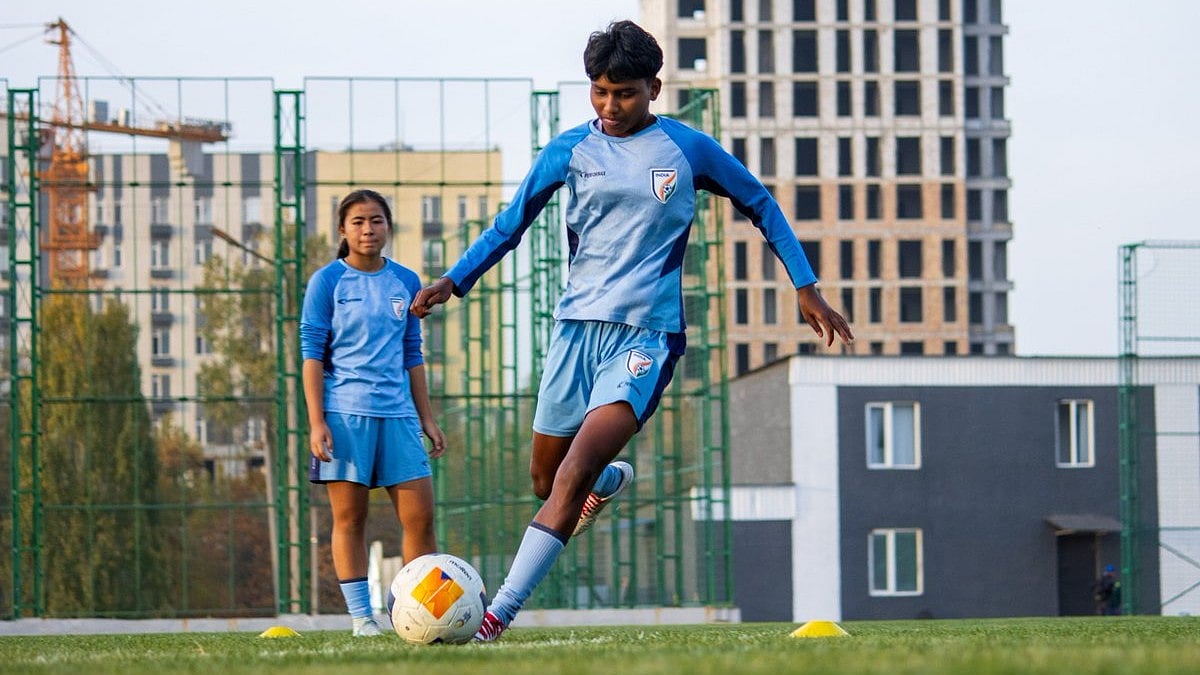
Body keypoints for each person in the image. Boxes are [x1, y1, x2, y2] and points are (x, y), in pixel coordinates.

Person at [411, 20, 853, 642]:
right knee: (546, 479)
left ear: (655, 88)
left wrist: (804, 284)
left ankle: (494, 616)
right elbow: (508, 225)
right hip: (574, 334)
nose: (610, 106)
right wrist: (453, 281)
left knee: (568, 479)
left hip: (647, 337)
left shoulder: (687, 150)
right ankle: (611, 481)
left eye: (624, 93)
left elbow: (761, 203)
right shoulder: (568, 151)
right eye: (599, 91)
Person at [301, 189, 447, 636]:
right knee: (351, 519)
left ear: (388, 226)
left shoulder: (405, 280)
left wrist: (426, 417)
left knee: (421, 517)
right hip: (345, 417)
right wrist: (317, 421)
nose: (368, 229)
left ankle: (424, 613)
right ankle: (363, 618)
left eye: (377, 220)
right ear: (343, 230)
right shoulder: (327, 282)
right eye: (359, 222)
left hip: (399, 417)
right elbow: (311, 353)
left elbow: (412, 354)